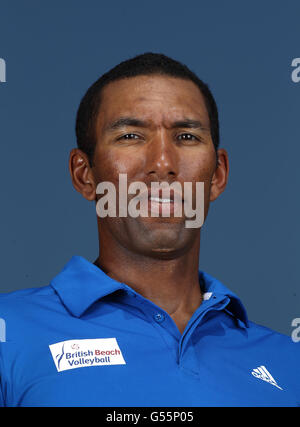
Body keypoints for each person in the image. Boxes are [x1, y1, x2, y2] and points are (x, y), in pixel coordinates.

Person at [0, 53, 299, 407]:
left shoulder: (289, 362)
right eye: (131, 135)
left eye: (186, 136)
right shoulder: (10, 332)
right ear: (85, 174)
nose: (162, 164)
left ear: (217, 175)